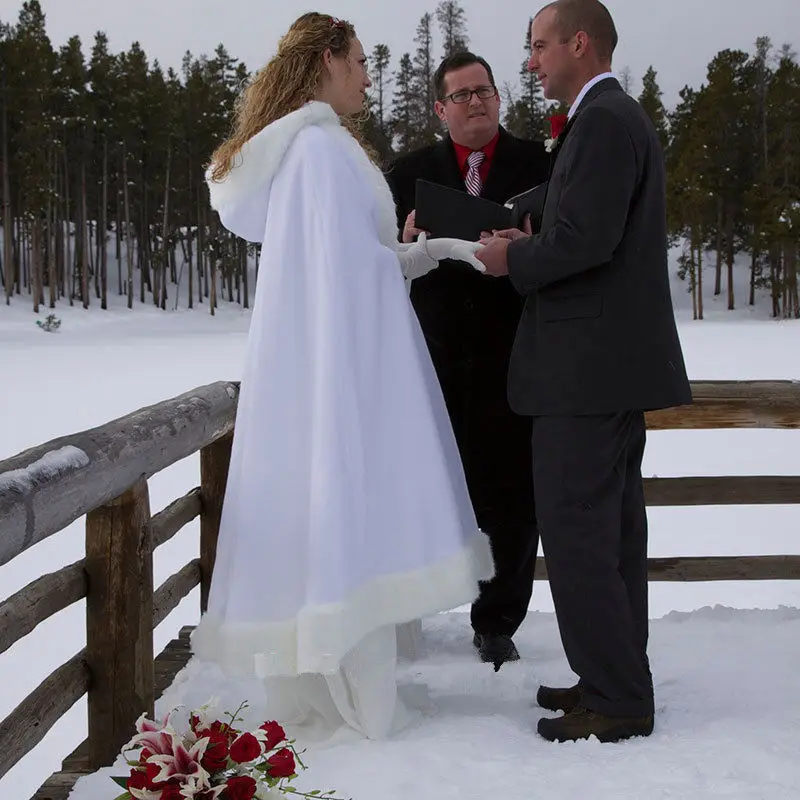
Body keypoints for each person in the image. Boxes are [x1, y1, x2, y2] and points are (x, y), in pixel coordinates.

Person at [191, 12, 493, 741]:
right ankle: (358, 700)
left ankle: (348, 686)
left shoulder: (319, 148)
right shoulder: (321, 152)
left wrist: (445, 248)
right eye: (358, 61)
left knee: (343, 515)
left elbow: (358, 262)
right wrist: (431, 254)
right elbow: (350, 274)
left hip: (339, 357)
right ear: (328, 60)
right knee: (348, 514)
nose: (366, 74)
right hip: (346, 365)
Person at [476, 0, 692, 742]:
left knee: (580, 537)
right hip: (601, 370)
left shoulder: (603, 120)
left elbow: (588, 241)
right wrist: (534, 222)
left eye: (538, 46)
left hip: (585, 371)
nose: (530, 60)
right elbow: (580, 224)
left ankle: (619, 701)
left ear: (579, 42)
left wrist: (513, 258)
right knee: (610, 535)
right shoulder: (605, 119)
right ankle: (612, 679)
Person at [386, 52, 550, 670]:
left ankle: (498, 620)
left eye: (485, 90)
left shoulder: (541, 163)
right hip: (435, 358)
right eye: (462, 95)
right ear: (439, 109)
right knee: (428, 489)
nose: (477, 101)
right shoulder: (407, 173)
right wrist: (402, 245)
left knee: (512, 495)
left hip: (519, 350)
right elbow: (379, 258)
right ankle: (410, 608)